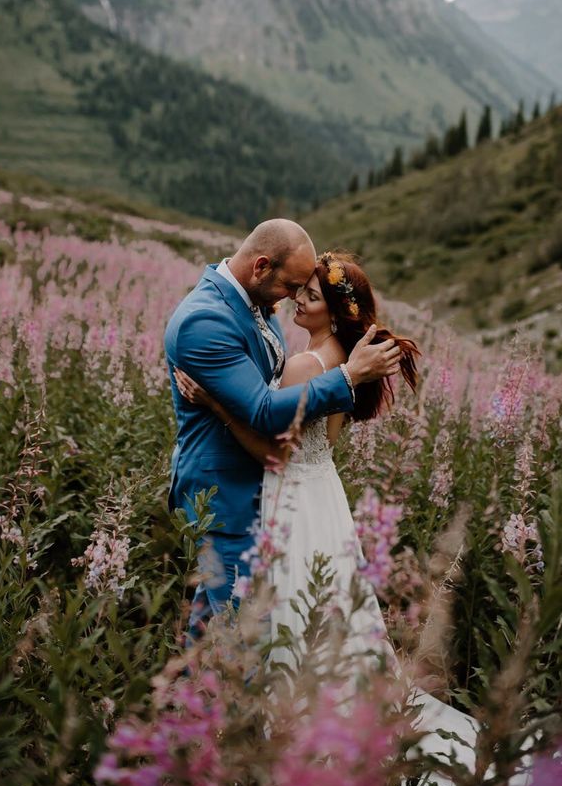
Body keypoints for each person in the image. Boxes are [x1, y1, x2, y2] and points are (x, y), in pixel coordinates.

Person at [175, 248, 480, 774]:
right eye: (299, 289)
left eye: (310, 296)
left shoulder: (305, 364)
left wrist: (217, 402)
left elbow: (275, 452)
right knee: (330, 611)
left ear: (334, 314)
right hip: (324, 499)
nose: (296, 298)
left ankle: (275, 742)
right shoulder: (342, 358)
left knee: (288, 612)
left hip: (290, 500)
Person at [163, 220, 402, 631]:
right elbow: (265, 409)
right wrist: (348, 376)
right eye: (291, 287)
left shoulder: (261, 308)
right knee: (235, 630)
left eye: (304, 292)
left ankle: (195, 690)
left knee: (223, 625)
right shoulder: (203, 321)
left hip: (274, 490)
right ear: (260, 267)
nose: (292, 299)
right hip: (224, 495)